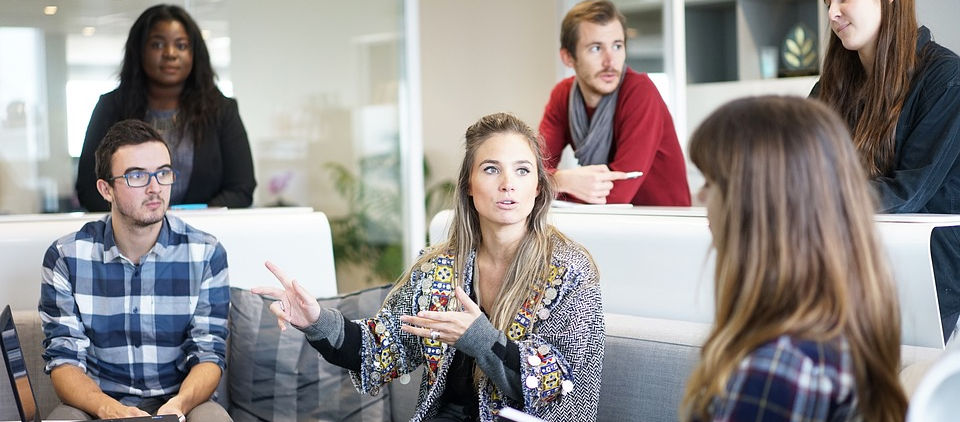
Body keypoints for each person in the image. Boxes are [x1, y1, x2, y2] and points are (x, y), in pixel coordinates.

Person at [253, 113, 604, 422]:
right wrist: (317, 321)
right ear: (469, 185)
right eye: (491, 168)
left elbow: (558, 385)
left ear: (538, 187)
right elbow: (382, 347)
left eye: (522, 170)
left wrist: (481, 339)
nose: (507, 183)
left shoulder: (570, 270)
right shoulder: (438, 268)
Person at [681, 96, 907, 422]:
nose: (700, 197)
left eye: (710, 182)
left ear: (756, 203)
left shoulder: (777, 371)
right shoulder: (835, 334)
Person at [40, 119, 230, 421]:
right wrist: (110, 410)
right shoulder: (66, 256)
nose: (155, 188)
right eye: (137, 175)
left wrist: (178, 406)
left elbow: (209, 353)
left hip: (181, 403)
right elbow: (64, 361)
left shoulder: (206, 253)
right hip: (96, 404)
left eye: (163, 173)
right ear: (106, 189)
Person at [812, 0, 960, 340]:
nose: (833, 12)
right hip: (847, 281)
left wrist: (806, 201)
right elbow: (798, 173)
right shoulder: (829, 89)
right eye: (826, 1)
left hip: (924, 290)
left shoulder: (945, 78)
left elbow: (907, 193)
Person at [76, 4, 256, 212]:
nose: (170, 54)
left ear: (195, 54)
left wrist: (187, 221)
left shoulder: (222, 110)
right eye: (157, 45)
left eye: (181, 45)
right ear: (139, 50)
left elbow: (241, 189)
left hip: (204, 235)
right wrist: (142, 218)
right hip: (129, 238)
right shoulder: (111, 108)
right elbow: (89, 190)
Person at [538, 0, 690, 206]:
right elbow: (531, 171)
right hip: (607, 223)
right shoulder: (562, 95)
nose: (610, 61)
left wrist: (550, 184)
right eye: (595, 48)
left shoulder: (640, 92)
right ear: (568, 58)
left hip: (663, 226)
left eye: (617, 46)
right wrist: (562, 180)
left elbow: (617, 194)